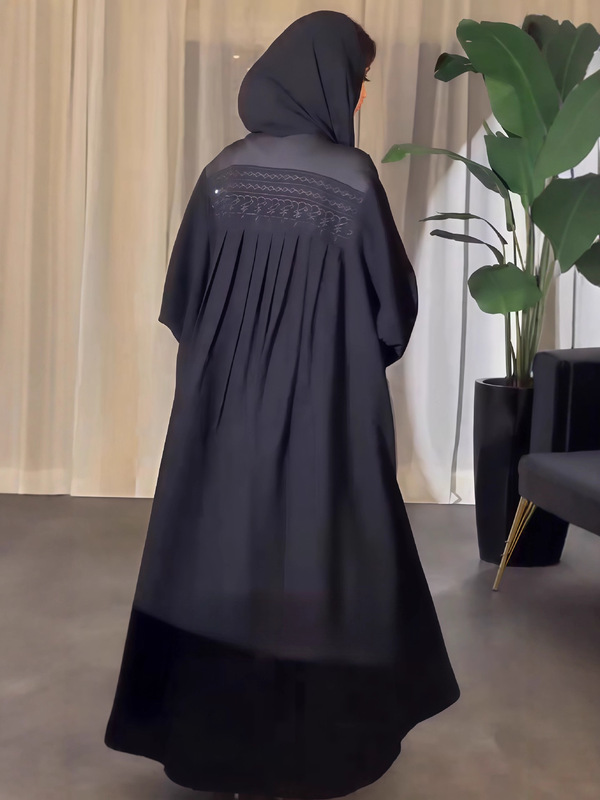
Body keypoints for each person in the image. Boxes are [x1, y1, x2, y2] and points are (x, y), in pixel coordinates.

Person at [105, 10, 460, 800]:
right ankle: (313, 752)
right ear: (328, 81)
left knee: (221, 556)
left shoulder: (222, 174)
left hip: (221, 413)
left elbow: (182, 302)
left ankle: (213, 746)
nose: (361, 96)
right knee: (320, 557)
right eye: (359, 80)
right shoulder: (352, 181)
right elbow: (392, 314)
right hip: (324, 413)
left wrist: (233, 373)